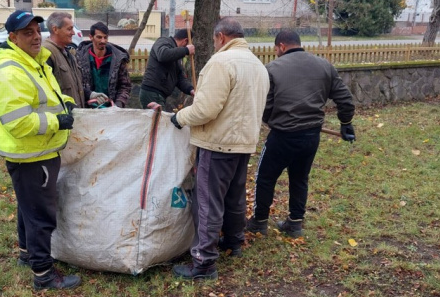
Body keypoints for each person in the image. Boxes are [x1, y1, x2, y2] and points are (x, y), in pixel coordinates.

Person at [168, 17, 269, 280]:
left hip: (218, 143)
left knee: (208, 202)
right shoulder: (257, 65)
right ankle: (234, 241)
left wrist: (179, 117)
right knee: (234, 196)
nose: (214, 45)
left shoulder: (221, 63)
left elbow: (205, 109)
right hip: (243, 143)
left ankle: (203, 262)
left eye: (214, 40)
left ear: (221, 37)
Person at [0, 10, 81, 290]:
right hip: (31, 154)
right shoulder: (10, 72)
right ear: (13, 38)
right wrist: (57, 121)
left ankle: (27, 254)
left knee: (28, 206)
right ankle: (43, 274)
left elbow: (48, 96)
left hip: (37, 151)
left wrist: (67, 103)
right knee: (41, 213)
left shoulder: (34, 63)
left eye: (36, 31)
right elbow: (18, 122)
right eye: (27, 33)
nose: (35, 37)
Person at [246, 29, 355, 238]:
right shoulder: (324, 66)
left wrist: (270, 120)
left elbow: (266, 105)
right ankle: (295, 223)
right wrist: (345, 123)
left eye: (276, 48)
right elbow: (345, 100)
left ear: (282, 46)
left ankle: (259, 221)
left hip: (283, 136)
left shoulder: (272, 69)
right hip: (311, 136)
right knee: (299, 178)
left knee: (266, 177)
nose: (276, 52)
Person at [42, 12, 108, 108]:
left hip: (75, 116)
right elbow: (46, 93)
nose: (73, 33)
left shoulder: (68, 53)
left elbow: (74, 86)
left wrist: (90, 94)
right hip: (62, 119)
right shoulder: (47, 53)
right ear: (55, 29)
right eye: (69, 29)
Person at [76, 22, 133, 108]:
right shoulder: (80, 58)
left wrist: (118, 104)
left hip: (111, 109)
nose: (103, 41)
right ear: (91, 37)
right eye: (99, 37)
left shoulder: (117, 59)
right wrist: (90, 95)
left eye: (105, 37)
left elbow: (125, 85)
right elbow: (76, 83)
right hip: (87, 108)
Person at [139, 28, 195, 110]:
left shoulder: (177, 56)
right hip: (152, 92)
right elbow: (163, 55)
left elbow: (180, 78)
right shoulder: (163, 41)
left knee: (158, 120)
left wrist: (191, 90)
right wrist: (186, 50)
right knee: (159, 121)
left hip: (160, 94)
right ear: (185, 41)